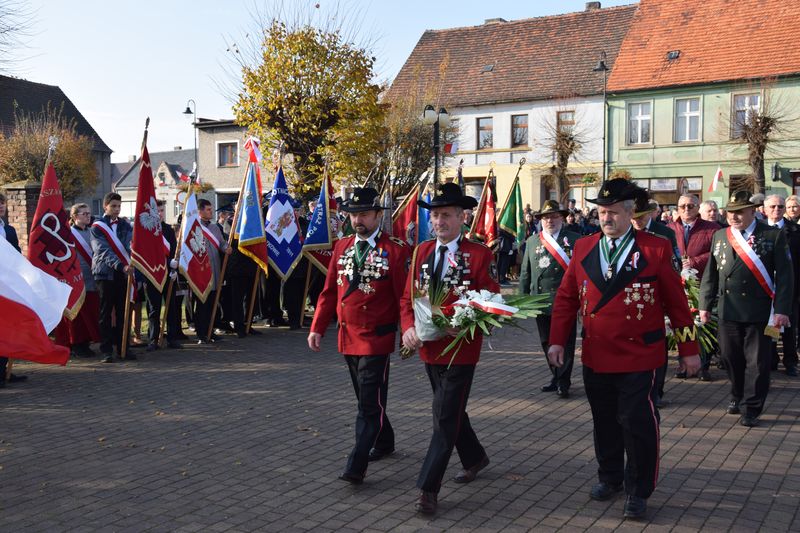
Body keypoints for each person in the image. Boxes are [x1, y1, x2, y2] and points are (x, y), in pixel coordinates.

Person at [548, 178, 701, 520]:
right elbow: (566, 299)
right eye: (602, 212)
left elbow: (676, 304)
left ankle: (638, 489)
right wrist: (558, 340)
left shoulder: (654, 248)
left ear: (630, 213)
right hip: (597, 353)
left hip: (639, 355)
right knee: (604, 421)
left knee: (637, 422)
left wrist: (689, 349)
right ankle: (611, 477)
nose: (606, 219)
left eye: (613, 212)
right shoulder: (585, 247)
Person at [401, 183, 499, 515]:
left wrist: (469, 321)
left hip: (461, 348)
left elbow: (493, 301)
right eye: (435, 215)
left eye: (445, 215)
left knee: (443, 418)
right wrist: (408, 328)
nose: (438, 221)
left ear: (461, 217)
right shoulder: (421, 253)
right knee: (451, 411)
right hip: (429, 348)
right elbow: (407, 299)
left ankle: (428, 489)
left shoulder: (479, 254)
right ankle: (475, 457)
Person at [308, 187, 409, 485]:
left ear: (378, 215)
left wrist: (408, 331)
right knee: (368, 397)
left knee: (367, 403)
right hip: (347, 335)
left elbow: (404, 296)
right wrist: (316, 327)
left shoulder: (396, 249)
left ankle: (357, 463)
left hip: (376, 337)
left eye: (364, 214)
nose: (358, 220)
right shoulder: (341, 247)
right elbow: (328, 292)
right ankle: (386, 440)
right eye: (353, 214)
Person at [699, 191, 793, 427]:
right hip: (728, 309)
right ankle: (737, 394)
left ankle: (751, 407)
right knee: (731, 358)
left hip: (759, 311)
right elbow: (711, 273)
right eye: (731, 211)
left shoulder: (772, 235)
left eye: (740, 211)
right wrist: (704, 305)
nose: (734, 216)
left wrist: (782, 309)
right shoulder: (721, 235)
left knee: (758, 363)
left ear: (753, 211)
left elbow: (785, 276)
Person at [519, 200, 581, 398]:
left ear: (561, 218)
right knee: (546, 341)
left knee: (566, 342)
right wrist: (521, 301)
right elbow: (525, 273)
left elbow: (581, 272)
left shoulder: (575, 239)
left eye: (554, 216)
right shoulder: (532, 242)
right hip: (541, 301)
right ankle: (555, 375)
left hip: (566, 301)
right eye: (546, 217)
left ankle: (564, 380)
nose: (550, 221)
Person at [630, 191, 683, 404]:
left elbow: (675, 261)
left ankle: (657, 391)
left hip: (656, 294)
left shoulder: (664, 234)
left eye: (641, 217)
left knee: (656, 345)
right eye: (634, 217)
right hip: (632, 295)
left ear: (651, 214)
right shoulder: (626, 232)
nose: (637, 221)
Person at [91, 192, 134, 363]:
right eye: (113, 206)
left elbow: (131, 244)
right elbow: (101, 251)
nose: (116, 209)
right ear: (105, 206)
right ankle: (106, 350)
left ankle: (123, 347)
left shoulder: (125, 225)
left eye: (119, 206)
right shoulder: (97, 227)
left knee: (124, 311)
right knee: (106, 313)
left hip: (123, 274)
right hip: (105, 273)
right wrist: (121, 265)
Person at [762, 194, 799, 376]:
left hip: (789, 287)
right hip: (765, 286)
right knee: (770, 324)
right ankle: (772, 358)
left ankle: (790, 361)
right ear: (764, 209)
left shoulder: (795, 231)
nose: (777, 210)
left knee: (789, 327)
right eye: (773, 206)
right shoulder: (758, 230)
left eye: (780, 206)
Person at [144, 200, 181, 351]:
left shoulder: (168, 230)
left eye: (162, 210)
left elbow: (173, 251)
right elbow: (146, 254)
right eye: (157, 211)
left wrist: (174, 268)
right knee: (154, 308)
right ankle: (153, 339)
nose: (160, 213)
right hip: (152, 274)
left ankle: (172, 338)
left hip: (168, 274)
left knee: (171, 307)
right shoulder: (146, 230)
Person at [66, 203, 101, 357]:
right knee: (78, 314)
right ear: (74, 217)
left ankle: (86, 342)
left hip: (92, 277)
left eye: (88, 213)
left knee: (91, 312)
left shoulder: (92, 231)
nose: (88, 216)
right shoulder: (68, 234)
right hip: (76, 278)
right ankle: (77, 344)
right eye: (84, 214)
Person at [195, 198, 232, 344]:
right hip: (201, 272)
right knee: (202, 304)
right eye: (208, 209)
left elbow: (222, 243)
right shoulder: (194, 227)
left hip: (215, 270)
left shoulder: (215, 228)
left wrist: (226, 248)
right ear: (200, 211)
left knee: (212, 303)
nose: (211, 212)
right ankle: (201, 333)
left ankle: (211, 330)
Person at [0, 192, 27, 386]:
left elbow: (16, 254)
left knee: (7, 328)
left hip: (8, 285)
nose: (1, 206)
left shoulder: (8, 230)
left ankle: (4, 371)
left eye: (2, 203)